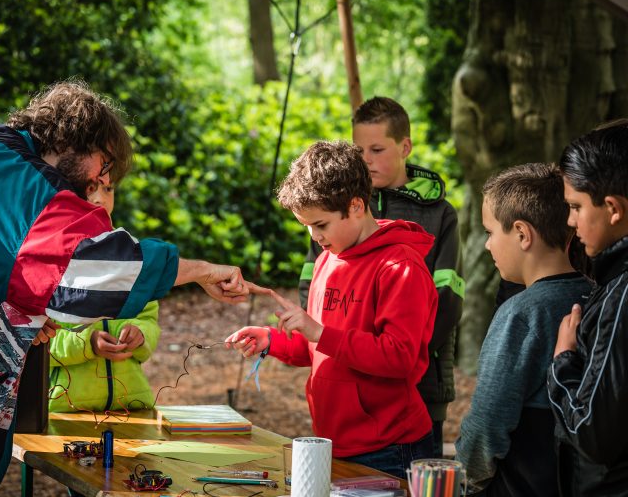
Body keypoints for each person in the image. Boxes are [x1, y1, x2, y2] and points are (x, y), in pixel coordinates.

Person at [0, 80, 260, 497]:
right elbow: (94, 270)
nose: (98, 181)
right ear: (75, 141)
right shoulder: (26, 182)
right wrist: (198, 271)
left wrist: (20, 313)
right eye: (102, 165)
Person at [226, 140, 437, 479]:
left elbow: (400, 357)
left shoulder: (401, 267)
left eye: (321, 225)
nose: (314, 236)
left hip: (389, 447)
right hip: (333, 441)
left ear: (356, 206)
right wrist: (272, 341)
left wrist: (318, 332)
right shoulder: (327, 260)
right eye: (306, 226)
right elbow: (320, 347)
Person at [298, 97, 463, 455]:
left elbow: (448, 300)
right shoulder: (334, 212)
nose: (366, 159)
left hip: (418, 383)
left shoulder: (438, 214)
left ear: (405, 146)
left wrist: (401, 372)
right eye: (359, 150)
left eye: (376, 149)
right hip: (353, 391)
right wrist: (299, 338)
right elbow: (314, 295)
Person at [455, 163, 591, 496]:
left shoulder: (520, 314)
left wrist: (467, 480)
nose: (487, 246)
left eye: (490, 232)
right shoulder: (600, 298)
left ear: (521, 234)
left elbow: (488, 423)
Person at [547, 120, 628, 496]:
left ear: (612, 207)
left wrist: (563, 360)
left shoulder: (622, 293)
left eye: (576, 206)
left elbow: (591, 430)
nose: (570, 220)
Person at [48, 182, 160, 413]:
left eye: (108, 189)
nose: (100, 199)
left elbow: (150, 321)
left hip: (132, 408)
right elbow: (36, 344)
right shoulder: (50, 260)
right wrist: (87, 343)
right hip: (65, 412)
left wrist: (140, 334)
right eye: (89, 189)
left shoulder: (133, 256)